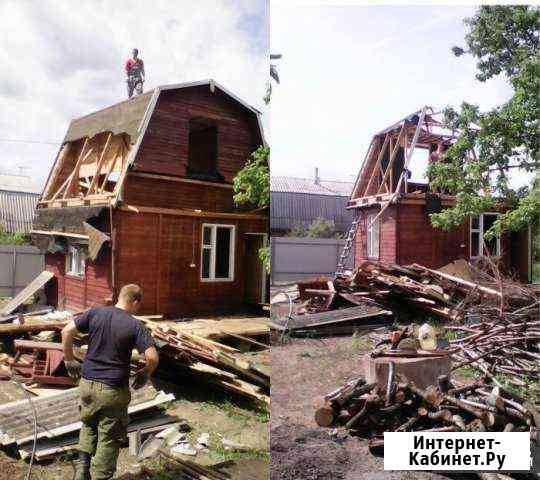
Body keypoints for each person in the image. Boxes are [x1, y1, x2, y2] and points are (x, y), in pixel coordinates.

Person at [62, 284, 159, 480]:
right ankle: (100, 477)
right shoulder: (135, 325)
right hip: (112, 390)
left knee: (88, 424)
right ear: (135, 301)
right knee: (109, 436)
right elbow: (152, 357)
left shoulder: (95, 313)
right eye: (138, 306)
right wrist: (145, 373)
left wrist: (69, 359)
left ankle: (82, 471)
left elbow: (66, 331)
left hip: (87, 384)